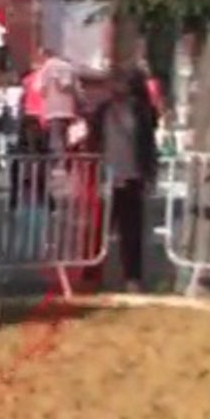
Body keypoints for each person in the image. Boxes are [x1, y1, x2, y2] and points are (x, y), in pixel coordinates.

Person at [86, 68, 159, 294]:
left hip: (129, 177)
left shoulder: (140, 112)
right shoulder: (107, 111)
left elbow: (147, 145)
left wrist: (148, 172)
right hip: (114, 177)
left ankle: (129, 277)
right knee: (104, 231)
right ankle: (94, 275)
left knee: (127, 231)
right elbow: (95, 141)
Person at [34, 47, 80, 155]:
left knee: (55, 139)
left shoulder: (47, 67)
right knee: (64, 137)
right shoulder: (70, 67)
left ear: (44, 56)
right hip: (68, 109)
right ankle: (64, 162)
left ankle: (58, 164)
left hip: (53, 109)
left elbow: (41, 89)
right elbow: (77, 90)